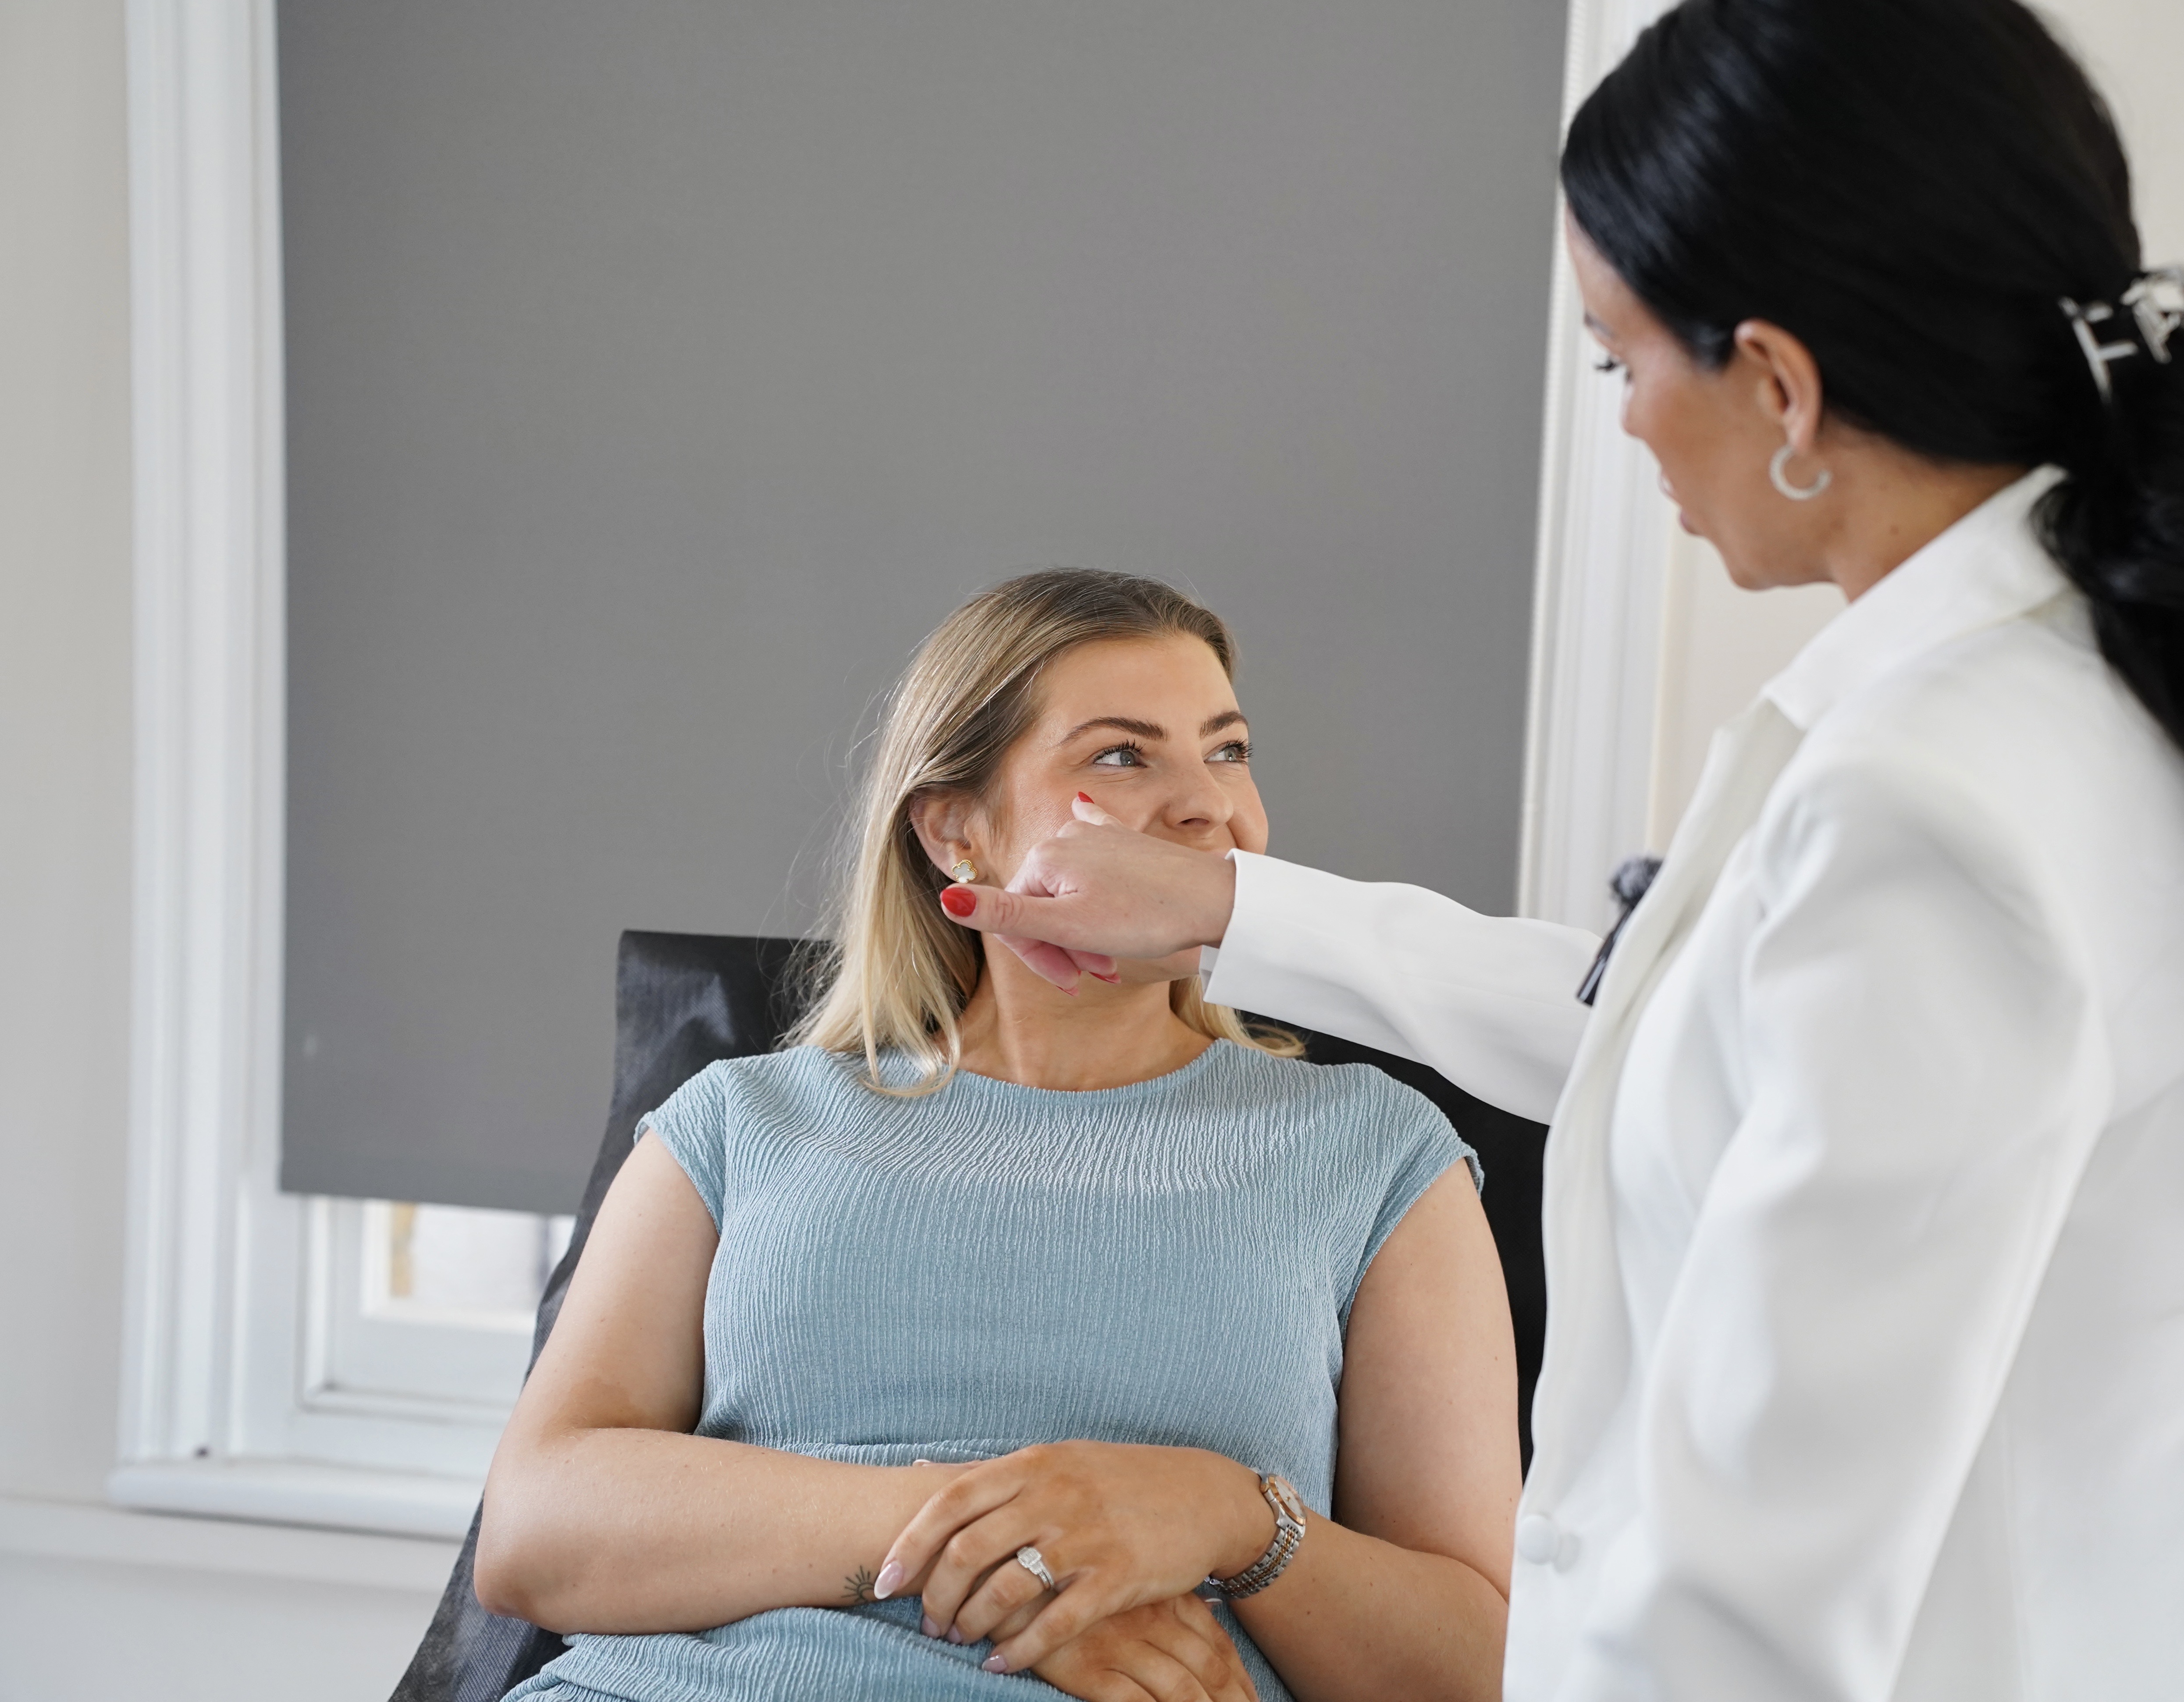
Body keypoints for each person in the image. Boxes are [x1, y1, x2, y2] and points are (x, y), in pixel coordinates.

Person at [937, 0, 2184, 1698]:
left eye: (1619, 358)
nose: (1633, 426)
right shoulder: (2151, 685)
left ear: (1780, 386)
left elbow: (1752, 1615)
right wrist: (1226, 904)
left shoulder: (1933, 805)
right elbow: (1681, 1032)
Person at [475, 569, 1520, 1702]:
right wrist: (1014, 1560)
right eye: (1122, 756)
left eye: (1227, 751)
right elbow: (534, 1532)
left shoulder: (1374, 1156)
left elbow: (1476, 1665)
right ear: (955, 830)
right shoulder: (741, 1121)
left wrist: (1230, 1517)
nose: (1208, 809)